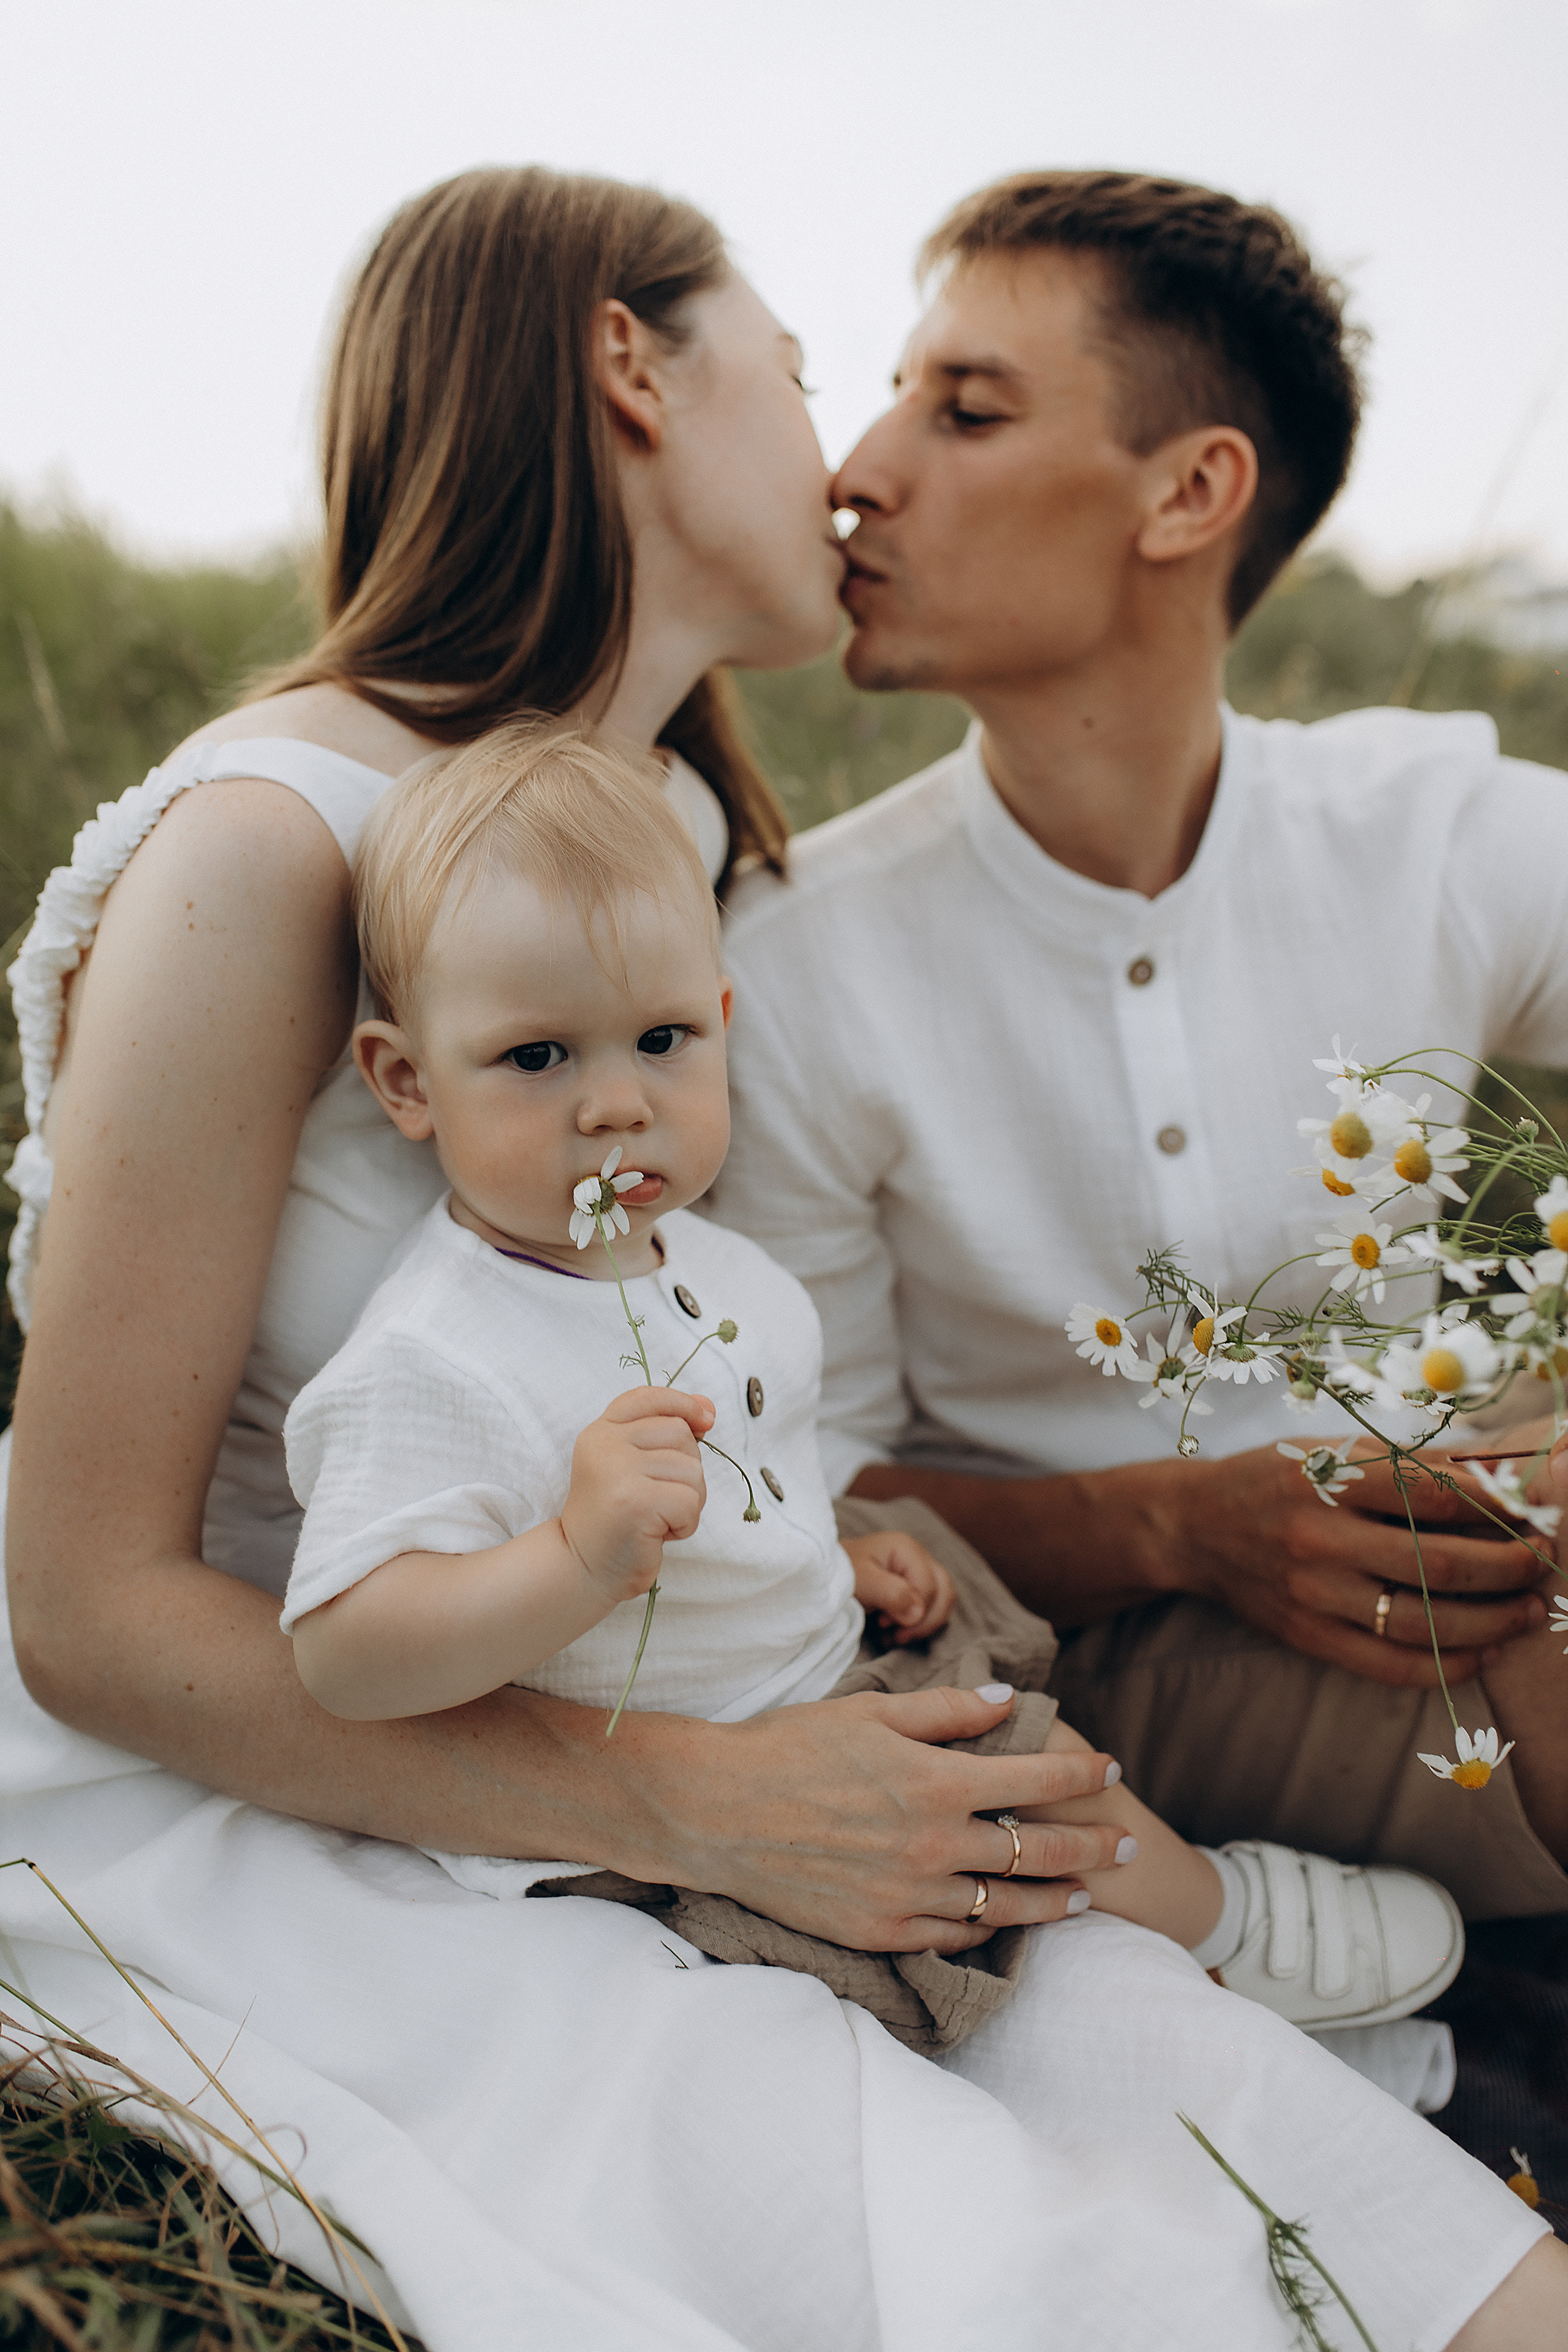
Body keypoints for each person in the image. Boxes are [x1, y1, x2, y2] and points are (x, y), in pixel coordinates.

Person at [0, 164, 1559, 2346]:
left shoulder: (670, 845)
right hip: (299, 1774)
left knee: (1321, 2185)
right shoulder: (265, 847)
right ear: (629, 370)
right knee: (997, 2228)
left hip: (684, 1695)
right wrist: (708, 1802)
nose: (849, 457)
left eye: (946, 402)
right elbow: (84, 1613)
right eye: (820, 372)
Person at [280, 717, 1466, 2045]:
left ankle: (1224, 1987)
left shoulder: (709, 1265)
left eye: (661, 1038)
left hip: (817, 1669)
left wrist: (831, 1551)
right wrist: (570, 1556)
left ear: (722, 1022)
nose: (615, 1104)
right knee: (1043, 1796)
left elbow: (749, 1487)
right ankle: (1228, 1932)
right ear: (406, 1082)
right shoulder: (438, 1355)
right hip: (687, 1800)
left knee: (1027, 1760)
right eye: (537, 1057)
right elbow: (345, 1657)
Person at [712, 167, 1568, 1932]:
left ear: (1190, 492)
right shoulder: (795, 960)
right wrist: (1183, 1523)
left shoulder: (1424, 828)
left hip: (1442, 1547)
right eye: (894, 398)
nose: (856, 471)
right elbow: (802, 1483)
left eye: (965, 410)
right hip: (1064, 1649)